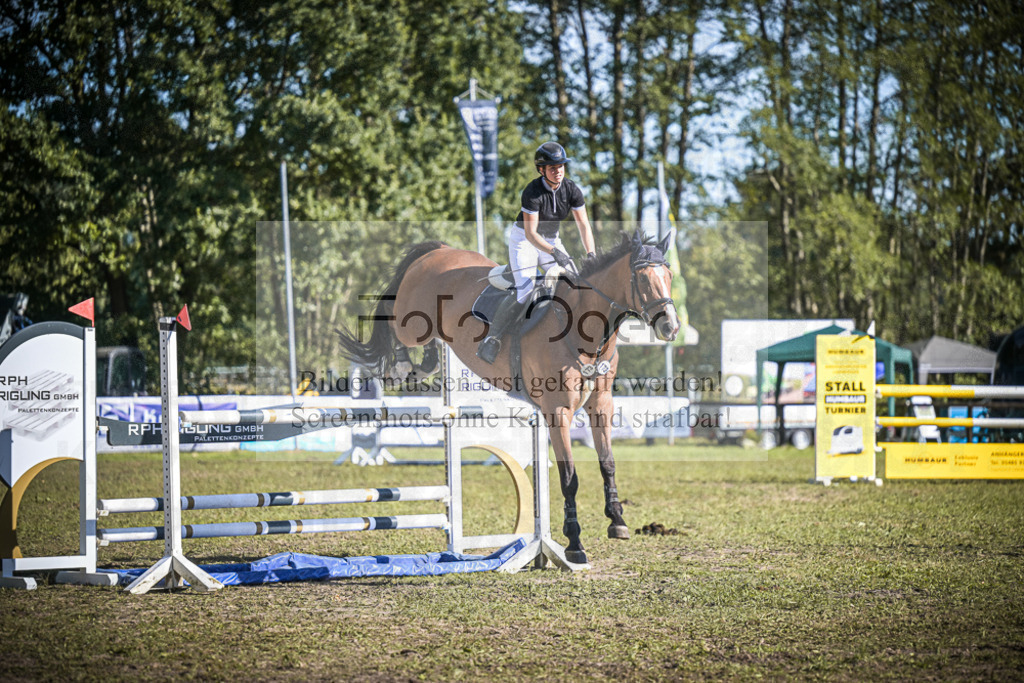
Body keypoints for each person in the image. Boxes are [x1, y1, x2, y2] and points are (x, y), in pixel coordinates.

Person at [477, 141, 596, 364]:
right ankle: (493, 338)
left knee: (576, 283)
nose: (558, 171)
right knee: (526, 289)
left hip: (551, 239)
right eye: (552, 167)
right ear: (541, 169)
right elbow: (531, 234)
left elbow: (584, 225)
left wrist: (591, 253)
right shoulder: (532, 192)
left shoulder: (572, 190)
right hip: (525, 240)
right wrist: (554, 252)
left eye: (561, 166)